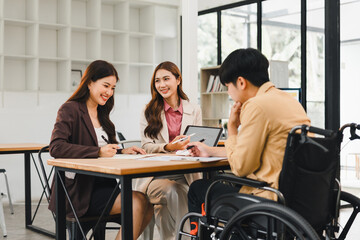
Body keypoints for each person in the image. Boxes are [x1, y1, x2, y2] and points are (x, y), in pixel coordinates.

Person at [186, 48, 311, 235]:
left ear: (241, 82)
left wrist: (232, 129)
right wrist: (211, 151)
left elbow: (241, 166)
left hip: (267, 199)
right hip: (298, 197)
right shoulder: (290, 101)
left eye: (228, 86)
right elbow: (257, 151)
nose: (229, 93)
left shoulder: (256, 106)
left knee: (198, 188)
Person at [48, 60, 153, 240]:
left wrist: (122, 152)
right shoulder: (70, 109)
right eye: (106, 85)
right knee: (137, 201)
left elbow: (105, 149)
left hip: (105, 186)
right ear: (89, 82)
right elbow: (56, 147)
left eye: (113, 88)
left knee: (147, 205)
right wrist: (97, 152)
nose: (109, 92)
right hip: (79, 191)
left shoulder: (104, 116)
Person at [135, 61, 202, 240]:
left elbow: (198, 140)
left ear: (178, 80)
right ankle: (188, 237)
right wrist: (168, 147)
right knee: (175, 191)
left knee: (168, 204)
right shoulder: (148, 111)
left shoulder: (194, 109)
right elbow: (146, 146)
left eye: (166, 79)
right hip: (155, 176)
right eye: (157, 81)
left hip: (185, 173)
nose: (161, 85)